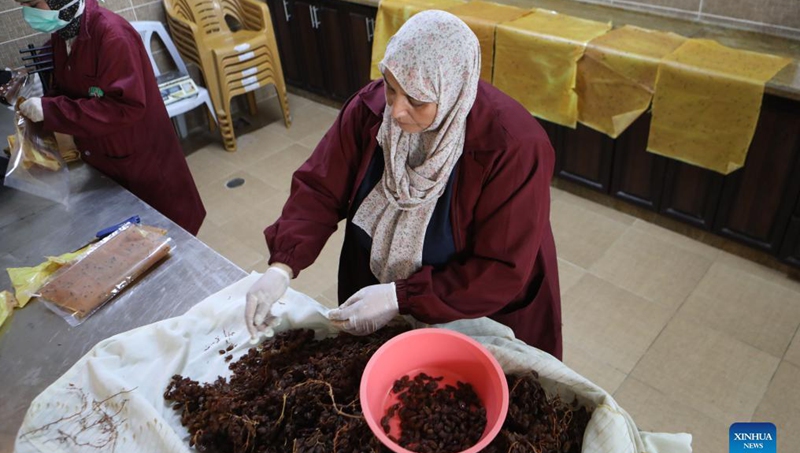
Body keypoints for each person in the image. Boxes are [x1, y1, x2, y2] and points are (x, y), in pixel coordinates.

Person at [245, 10, 562, 358]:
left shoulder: (512, 147)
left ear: (452, 90)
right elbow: (320, 187)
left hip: (467, 307)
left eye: (416, 99)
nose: (395, 111)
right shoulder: (371, 109)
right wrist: (282, 265)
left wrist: (401, 296)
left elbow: (499, 269)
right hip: (373, 288)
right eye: (391, 87)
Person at [15, 0, 206, 235]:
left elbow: (125, 107)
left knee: (170, 233)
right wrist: (34, 95)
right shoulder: (63, 36)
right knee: (136, 240)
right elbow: (71, 88)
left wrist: (51, 110)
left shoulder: (112, 35)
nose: (28, 14)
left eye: (33, 4)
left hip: (141, 162)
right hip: (104, 159)